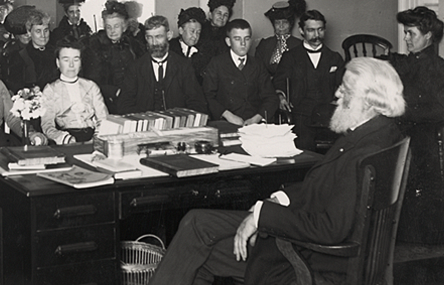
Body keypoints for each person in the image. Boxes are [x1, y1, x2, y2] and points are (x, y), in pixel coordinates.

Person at [148, 57, 407, 285]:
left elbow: (329, 229)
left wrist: (262, 217)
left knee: (198, 244)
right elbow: (321, 190)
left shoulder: (363, 153)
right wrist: (277, 200)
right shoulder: (375, 135)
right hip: (302, 238)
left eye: (346, 89)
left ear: (370, 101)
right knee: (197, 224)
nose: (337, 94)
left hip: (304, 259)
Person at [387, 6, 444, 244]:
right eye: (406, 33)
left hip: (423, 141)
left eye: (411, 33)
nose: (406, 38)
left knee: (420, 199)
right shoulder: (407, 63)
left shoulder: (438, 68)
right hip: (401, 136)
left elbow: (437, 111)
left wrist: (400, 110)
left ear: (428, 36)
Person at [273, 10, 344, 151]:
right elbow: (279, 82)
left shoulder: (334, 57)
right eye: (311, 30)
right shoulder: (290, 57)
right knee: (304, 147)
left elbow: (343, 86)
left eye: (320, 30)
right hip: (300, 115)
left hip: (328, 115)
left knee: (341, 148)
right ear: (301, 31)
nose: (316, 35)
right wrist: (280, 96)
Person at [119, 15, 207, 115]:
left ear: (169, 35)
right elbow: (124, 106)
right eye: (149, 37)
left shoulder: (184, 66)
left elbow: (197, 104)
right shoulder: (135, 68)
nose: (154, 43)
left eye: (158, 37)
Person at [202, 19, 277, 125]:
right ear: (228, 42)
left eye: (246, 39)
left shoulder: (257, 64)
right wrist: (228, 115)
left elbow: (271, 98)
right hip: (225, 121)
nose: (243, 43)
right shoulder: (217, 63)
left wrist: (256, 118)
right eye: (237, 39)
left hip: (254, 123)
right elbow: (208, 96)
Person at [40, 36, 108, 144]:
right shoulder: (51, 90)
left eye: (76, 59)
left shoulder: (91, 86)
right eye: (66, 60)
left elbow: (103, 118)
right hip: (67, 139)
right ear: (58, 63)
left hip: (93, 138)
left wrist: (97, 138)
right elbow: (47, 125)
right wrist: (64, 139)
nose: (71, 65)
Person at [83, 1, 146, 114]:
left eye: (116, 26)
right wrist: (114, 91)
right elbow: (92, 80)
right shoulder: (96, 47)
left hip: (132, 99)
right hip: (106, 101)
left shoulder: (133, 45)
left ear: (124, 26)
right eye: (109, 27)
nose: (112, 31)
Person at [5, 8, 58, 93]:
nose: (43, 35)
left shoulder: (56, 53)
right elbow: (15, 87)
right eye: (38, 31)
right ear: (29, 33)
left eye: (46, 30)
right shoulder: (20, 57)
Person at [254, 0, 306, 75]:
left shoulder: (299, 45)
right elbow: (258, 69)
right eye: (277, 22)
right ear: (273, 24)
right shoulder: (264, 44)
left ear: (290, 23)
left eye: (285, 22)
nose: (281, 26)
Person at [170, 7, 211, 83]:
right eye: (192, 31)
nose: (195, 36)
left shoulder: (203, 52)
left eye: (198, 32)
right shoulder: (170, 49)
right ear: (181, 30)